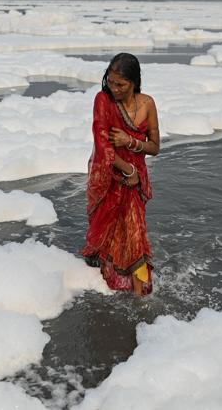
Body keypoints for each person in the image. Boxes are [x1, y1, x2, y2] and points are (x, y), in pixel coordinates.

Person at [82, 53, 160, 296]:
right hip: (109, 177)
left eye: (121, 84)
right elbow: (103, 145)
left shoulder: (147, 104)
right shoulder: (103, 101)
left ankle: (141, 298)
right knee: (109, 233)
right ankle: (109, 282)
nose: (114, 88)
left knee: (135, 236)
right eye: (111, 81)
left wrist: (131, 141)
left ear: (134, 82)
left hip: (134, 184)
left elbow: (155, 147)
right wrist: (129, 169)